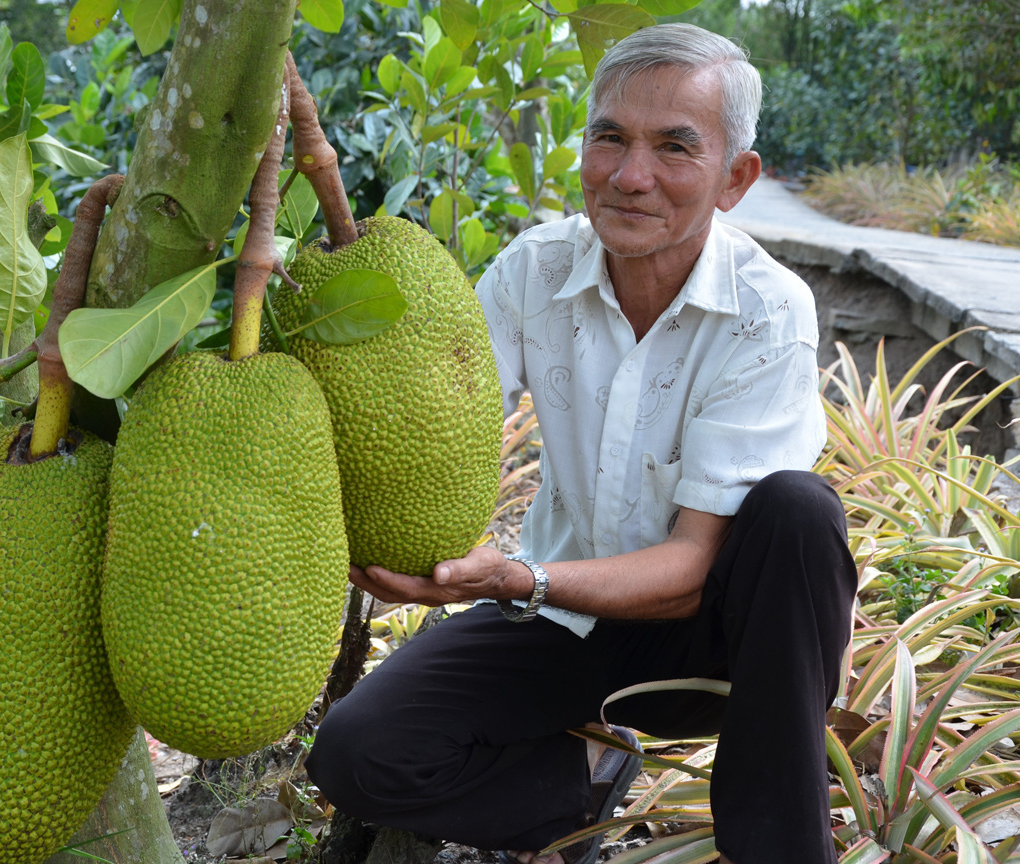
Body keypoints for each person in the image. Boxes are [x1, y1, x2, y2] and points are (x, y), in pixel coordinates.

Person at [304, 22, 856, 864]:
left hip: (718, 645)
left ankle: (780, 851)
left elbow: (689, 572)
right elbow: (428, 422)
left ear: (735, 178)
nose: (632, 178)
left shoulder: (768, 310)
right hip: (565, 621)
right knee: (357, 753)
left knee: (797, 511)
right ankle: (583, 788)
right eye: (610, 139)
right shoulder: (534, 271)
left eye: (675, 147)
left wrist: (518, 577)